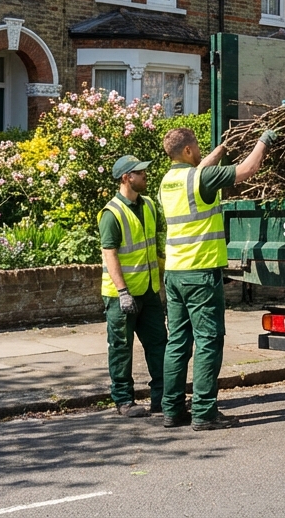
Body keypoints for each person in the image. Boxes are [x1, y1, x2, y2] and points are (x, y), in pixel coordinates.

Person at [158, 126, 275, 430]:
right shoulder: (201, 179)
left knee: (178, 343)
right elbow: (248, 169)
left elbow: (200, 170)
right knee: (209, 341)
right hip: (201, 274)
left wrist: (222, 148)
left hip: (175, 274)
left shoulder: (167, 182)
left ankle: (171, 410)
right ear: (186, 151)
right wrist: (265, 140)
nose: (199, 151)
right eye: (196, 146)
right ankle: (204, 413)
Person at [99, 154, 167, 419]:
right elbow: (110, 254)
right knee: (121, 347)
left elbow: (155, 243)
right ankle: (124, 400)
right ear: (127, 178)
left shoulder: (148, 205)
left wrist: (162, 283)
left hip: (149, 290)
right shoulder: (111, 213)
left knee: (158, 344)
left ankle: (162, 398)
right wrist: (123, 292)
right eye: (140, 173)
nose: (145, 176)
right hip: (122, 296)